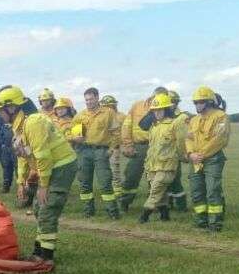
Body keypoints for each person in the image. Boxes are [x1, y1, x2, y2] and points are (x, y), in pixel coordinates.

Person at [0, 87, 77, 263]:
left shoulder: (33, 123)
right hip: (49, 167)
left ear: (12, 108)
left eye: (1, 110)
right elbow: (23, 157)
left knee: (47, 208)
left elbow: (43, 156)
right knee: (40, 209)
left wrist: (44, 186)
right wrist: (21, 182)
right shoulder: (19, 126)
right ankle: (38, 252)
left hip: (61, 166)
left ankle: (46, 258)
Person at [71, 87, 122, 219]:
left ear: (97, 98)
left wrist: (111, 149)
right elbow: (72, 134)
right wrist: (74, 138)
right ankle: (88, 211)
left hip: (101, 151)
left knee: (105, 182)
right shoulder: (80, 116)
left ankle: (113, 212)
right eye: (86, 100)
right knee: (84, 182)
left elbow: (116, 132)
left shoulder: (108, 113)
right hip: (83, 151)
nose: (88, 102)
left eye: (91, 99)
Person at [136, 93, 187, 223]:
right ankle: (165, 216)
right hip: (152, 166)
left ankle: (144, 216)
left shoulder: (174, 124)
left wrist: (183, 157)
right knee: (161, 193)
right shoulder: (154, 126)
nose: (157, 113)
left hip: (167, 166)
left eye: (160, 109)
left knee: (155, 191)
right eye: (155, 110)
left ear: (167, 109)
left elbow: (181, 143)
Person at [186, 86, 230, 232]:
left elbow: (220, 139)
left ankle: (215, 224)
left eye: (201, 102)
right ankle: (201, 221)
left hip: (213, 159)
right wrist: (191, 154)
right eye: (195, 102)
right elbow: (188, 138)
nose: (197, 105)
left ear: (210, 102)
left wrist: (201, 154)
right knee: (196, 191)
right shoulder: (194, 120)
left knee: (213, 191)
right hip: (195, 159)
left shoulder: (221, 117)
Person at [119, 87, 169, 212]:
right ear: (152, 95)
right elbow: (126, 126)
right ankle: (124, 202)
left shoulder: (167, 109)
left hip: (158, 147)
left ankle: (155, 206)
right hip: (140, 146)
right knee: (131, 175)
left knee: (156, 178)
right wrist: (128, 144)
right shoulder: (137, 106)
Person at [165, 90, 190, 212]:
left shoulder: (181, 118)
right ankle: (168, 204)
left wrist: (182, 155)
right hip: (162, 154)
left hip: (174, 154)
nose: (171, 104)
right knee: (166, 181)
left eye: (172, 102)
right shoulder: (161, 116)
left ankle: (181, 206)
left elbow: (181, 139)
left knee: (174, 180)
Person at [101, 95, 125, 198]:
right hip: (103, 146)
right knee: (104, 169)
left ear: (114, 105)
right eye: (105, 106)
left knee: (114, 168)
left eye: (109, 106)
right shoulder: (101, 117)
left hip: (115, 147)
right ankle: (108, 188)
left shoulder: (121, 117)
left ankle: (117, 189)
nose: (108, 108)